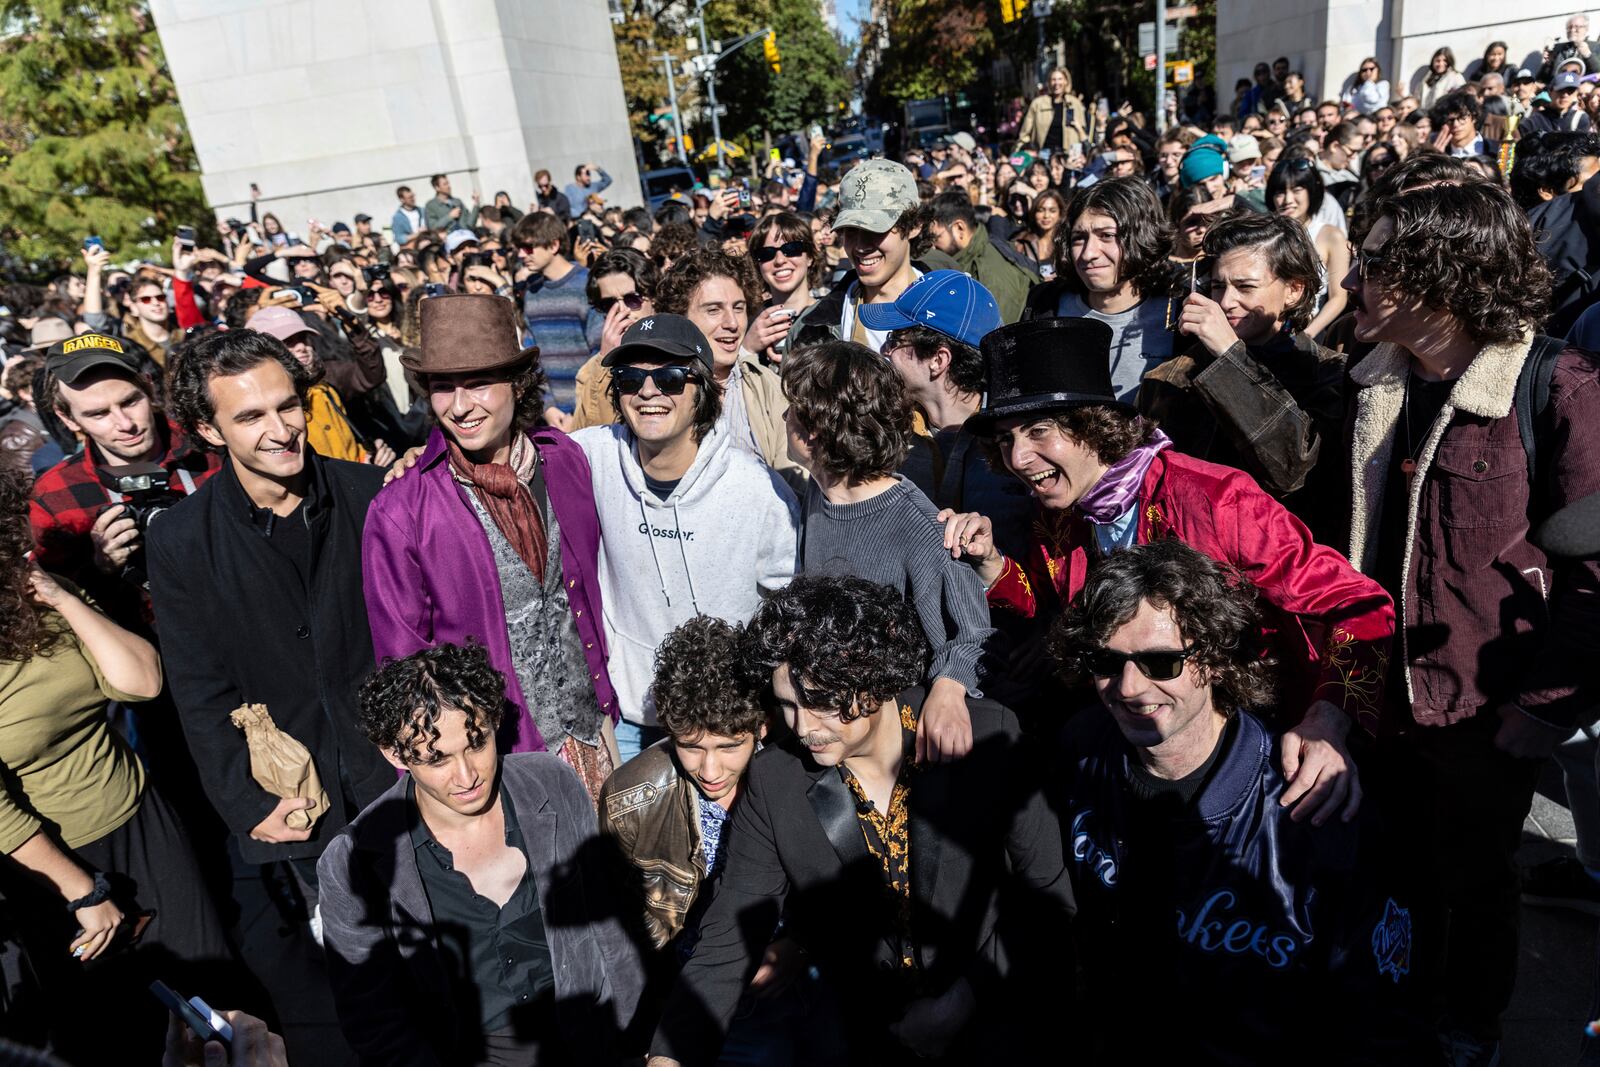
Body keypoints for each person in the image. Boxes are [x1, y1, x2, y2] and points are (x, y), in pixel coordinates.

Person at [1340, 180, 1600, 1064]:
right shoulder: (1372, 381)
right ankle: (1402, 1004)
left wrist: (1546, 704)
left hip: (1487, 714)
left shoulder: (1555, 381)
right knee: (1397, 871)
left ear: (1441, 273)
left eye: (1374, 262)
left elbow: (1596, 569)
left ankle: (1471, 1027)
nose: (1354, 278)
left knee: (1478, 883)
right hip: (1386, 696)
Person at [941, 316, 1395, 811]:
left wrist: (1330, 718)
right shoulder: (1061, 514)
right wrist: (989, 563)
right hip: (1140, 741)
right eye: (1006, 439)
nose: (1019, 457)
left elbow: (1362, 605)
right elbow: (1053, 604)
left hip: (1261, 750)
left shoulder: (1217, 500)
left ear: (1093, 426)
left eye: (1039, 431)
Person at [645, 576, 1074, 1066]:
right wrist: (669, 1057)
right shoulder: (775, 782)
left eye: (821, 701)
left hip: (1002, 1022)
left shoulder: (987, 736)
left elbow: (1048, 898)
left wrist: (965, 999)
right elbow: (729, 935)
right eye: (788, 704)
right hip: (874, 1040)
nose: (803, 727)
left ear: (874, 674)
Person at [1050, 540, 1433, 1063]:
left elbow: (1382, 1023)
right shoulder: (1081, 752)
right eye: (1105, 662)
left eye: (1161, 662)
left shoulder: (1312, 810)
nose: (1130, 687)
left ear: (1214, 659)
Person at [147, 328, 397, 1066]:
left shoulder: (370, 495)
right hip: (296, 805)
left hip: (398, 780)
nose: (280, 428)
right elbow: (198, 688)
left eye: (287, 406)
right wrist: (251, 805)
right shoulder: (182, 539)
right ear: (207, 429)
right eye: (250, 416)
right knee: (352, 986)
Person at [0, 465, 232, 1064]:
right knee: (120, 1031)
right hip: (54, 864)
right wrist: (81, 893)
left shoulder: (33, 595)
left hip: (141, 819)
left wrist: (58, 596)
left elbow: (142, 680)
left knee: (215, 1002)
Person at [319, 641, 643, 1066]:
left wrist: (636, 1043)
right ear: (395, 754)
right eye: (438, 759)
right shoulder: (353, 862)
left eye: (477, 744)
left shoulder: (552, 784)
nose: (467, 775)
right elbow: (376, 1023)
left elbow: (614, 936)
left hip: (589, 1040)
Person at [362, 293, 619, 799]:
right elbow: (404, 672)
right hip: (496, 766)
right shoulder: (400, 512)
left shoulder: (564, 461)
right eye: (442, 387)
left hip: (595, 733)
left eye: (478, 383)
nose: (459, 407)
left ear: (517, 384)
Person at [598, 615, 841, 1062]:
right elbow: (629, 940)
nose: (711, 772)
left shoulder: (804, 774)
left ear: (763, 726)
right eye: (692, 747)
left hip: (809, 985)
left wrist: (799, 945)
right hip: (701, 1002)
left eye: (729, 747)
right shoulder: (630, 800)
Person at [571, 313, 798, 763]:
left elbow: (787, 602)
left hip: (725, 718)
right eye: (631, 378)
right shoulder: (591, 456)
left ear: (704, 389)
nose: (649, 392)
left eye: (671, 378)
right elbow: (513, 454)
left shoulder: (758, 490)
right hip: (631, 711)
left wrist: (765, 699)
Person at [782, 340, 995, 765]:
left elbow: (973, 632)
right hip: (830, 730)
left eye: (793, 408)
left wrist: (949, 687)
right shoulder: (817, 494)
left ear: (816, 430)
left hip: (897, 749)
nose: (784, 417)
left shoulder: (918, 526)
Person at [1140, 212, 1349, 543]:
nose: (1225, 302)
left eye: (1245, 286)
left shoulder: (1329, 373)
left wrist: (1229, 355)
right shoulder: (1171, 376)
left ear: (1294, 290)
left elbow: (1293, 473)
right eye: (1218, 286)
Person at [28, 333, 221, 611]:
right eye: (99, 414)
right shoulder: (54, 496)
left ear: (149, 388)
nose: (125, 424)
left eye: (130, 402)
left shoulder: (210, 445)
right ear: (67, 418)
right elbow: (56, 604)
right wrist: (101, 567)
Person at [870, 270, 1033, 562]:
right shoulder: (887, 429)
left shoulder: (1015, 438)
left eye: (895, 339)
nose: (884, 350)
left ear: (938, 360)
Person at [1020, 177, 1175, 404]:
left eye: (1107, 236)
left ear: (1142, 236)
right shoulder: (1045, 305)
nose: (1088, 253)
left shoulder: (1179, 313)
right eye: (1079, 238)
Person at [653, 247, 800, 486]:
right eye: (713, 310)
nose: (732, 323)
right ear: (680, 316)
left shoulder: (769, 387)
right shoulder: (653, 389)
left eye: (739, 308)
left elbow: (794, 483)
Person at [787, 159, 926, 353]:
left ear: (914, 226)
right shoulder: (810, 331)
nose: (861, 246)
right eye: (850, 230)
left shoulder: (959, 309)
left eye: (876, 229)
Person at [246, 305, 393, 466]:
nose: (301, 346)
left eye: (302, 338)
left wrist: (367, 458)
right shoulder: (263, 408)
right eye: (288, 342)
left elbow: (371, 375)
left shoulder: (325, 379)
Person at [508, 210, 601, 412]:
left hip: (592, 409)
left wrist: (585, 407)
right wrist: (548, 406)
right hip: (552, 413)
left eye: (528, 247)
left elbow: (600, 353)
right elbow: (532, 356)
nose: (521, 254)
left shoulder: (587, 284)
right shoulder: (531, 290)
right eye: (519, 248)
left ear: (553, 245)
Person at [568, 248, 659, 431]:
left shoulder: (683, 350)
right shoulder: (591, 370)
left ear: (653, 298)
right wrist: (606, 364)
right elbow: (585, 436)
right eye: (608, 304)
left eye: (632, 299)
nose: (621, 311)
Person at [922, 191, 1039, 324]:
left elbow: (994, 333)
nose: (932, 246)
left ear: (959, 228)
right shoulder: (971, 254)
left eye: (936, 237)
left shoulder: (990, 273)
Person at [1267, 157, 1349, 338]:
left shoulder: (1331, 235)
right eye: (1280, 192)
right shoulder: (1265, 234)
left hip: (1308, 329)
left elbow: (1338, 297)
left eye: (1297, 190)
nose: (1287, 200)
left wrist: (1307, 335)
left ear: (1311, 191)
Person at [743, 211, 822, 364]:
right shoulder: (747, 321)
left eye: (792, 249)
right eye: (767, 254)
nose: (779, 260)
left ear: (810, 257)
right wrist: (747, 349)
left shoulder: (834, 315)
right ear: (757, 264)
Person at [1015, 66, 1088, 155]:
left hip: (1069, 155)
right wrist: (1020, 152)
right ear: (1049, 82)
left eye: (1060, 79)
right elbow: (1025, 133)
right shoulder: (1038, 104)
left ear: (1066, 81)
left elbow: (1082, 132)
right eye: (1053, 79)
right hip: (1044, 153)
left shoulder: (1075, 103)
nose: (1057, 83)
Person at [1010, 188, 1066, 280]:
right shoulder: (1021, 242)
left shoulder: (1066, 242)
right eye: (1041, 210)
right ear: (1034, 212)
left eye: (1052, 210)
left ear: (1060, 214)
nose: (1046, 216)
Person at [123, 275, 176, 368]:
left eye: (160, 297)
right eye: (146, 299)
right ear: (134, 308)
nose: (156, 303)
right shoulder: (130, 347)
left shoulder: (184, 336)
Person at [1430, 90, 1500, 158]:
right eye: (1450, 120)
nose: (1455, 124)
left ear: (1474, 117)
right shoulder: (1437, 154)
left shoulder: (1496, 150)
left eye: (1462, 118)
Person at [1539, 12, 1600, 81]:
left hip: (1581, 88)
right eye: (1569, 27)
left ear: (1586, 29)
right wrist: (1548, 63)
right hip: (1557, 88)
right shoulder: (1558, 47)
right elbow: (1543, 78)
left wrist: (1588, 55)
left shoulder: (1596, 46)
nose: (1572, 30)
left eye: (1577, 27)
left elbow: (1598, 73)